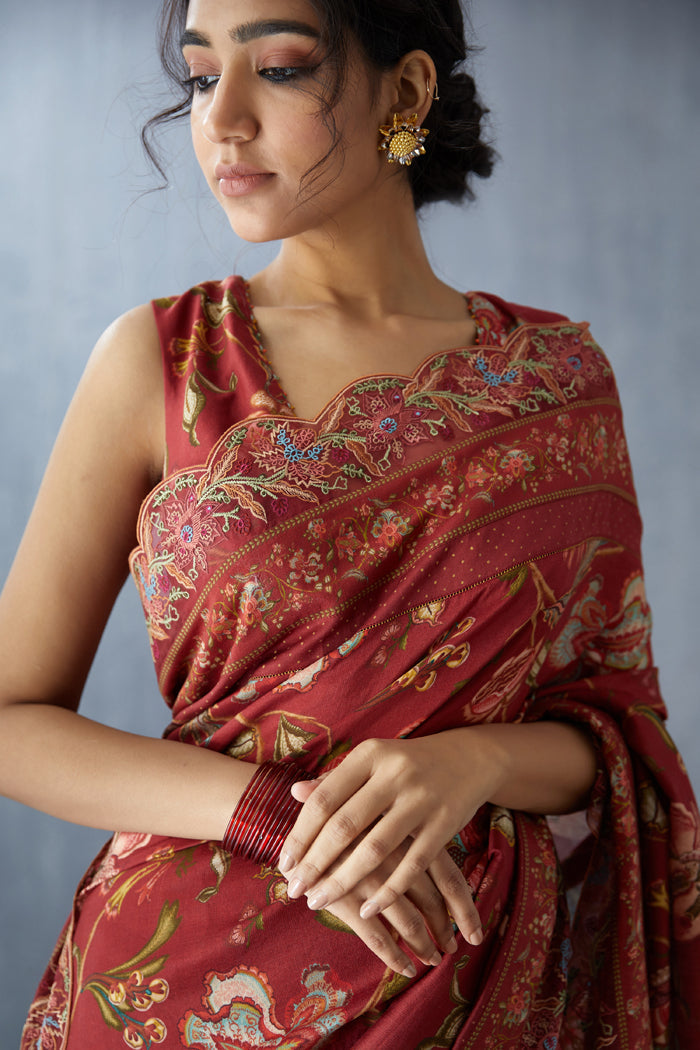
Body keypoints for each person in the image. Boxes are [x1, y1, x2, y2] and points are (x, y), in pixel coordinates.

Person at [3, 0, 698, 1046]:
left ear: (406, 91)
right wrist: (269, 815)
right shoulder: (167, 364)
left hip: (472, 983)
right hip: (178, 987)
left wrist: (474, 762)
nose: (220, 119)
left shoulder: (555, 383)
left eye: (279, 68)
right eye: (201, 77)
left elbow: (617, 730)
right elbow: (11, 720)